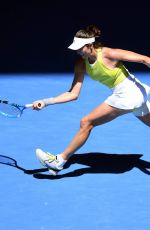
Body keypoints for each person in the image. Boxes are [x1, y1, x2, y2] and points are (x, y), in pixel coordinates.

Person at [33, 25, 150, 176]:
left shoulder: (109, 53)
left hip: (129, 93)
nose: (78, 51)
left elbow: (145, 59)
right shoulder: (81, 63)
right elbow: (73, 94)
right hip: (134, 96)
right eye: (76, 48)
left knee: (86, 122)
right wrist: (46, 101)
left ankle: (59, 161)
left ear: (90, 45)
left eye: (80, 48)